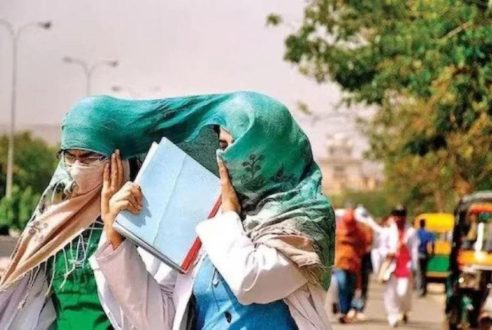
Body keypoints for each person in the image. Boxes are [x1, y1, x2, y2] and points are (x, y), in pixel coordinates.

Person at [72, 92, 334, 329]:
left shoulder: (305, 220)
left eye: (237, 146)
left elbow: (251, 282)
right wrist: (116, 240)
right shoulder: (212, 220)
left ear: (268, 150)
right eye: (221, 146)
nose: (226, 157)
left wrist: (229, 214)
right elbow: (160, 322)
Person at [0, 129, 139, 328]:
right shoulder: (55, 222)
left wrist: (113, 226)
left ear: (116, 161)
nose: (76, 168)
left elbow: (145, 303)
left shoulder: (135, 223)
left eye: (88, 158)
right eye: (69, 156)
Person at [333, 208, 372, 324]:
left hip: (354, 264)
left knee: (351, 288)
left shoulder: (360, 232)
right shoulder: (337, 231)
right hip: (340, 263)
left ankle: (347, 310)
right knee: (342, 285)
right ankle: (343, 311)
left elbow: (365, 245)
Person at [384, 205, 418, 328]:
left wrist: (414, 267)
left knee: (403, 292)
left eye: (401, 215)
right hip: (392, 266)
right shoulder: (388, 231)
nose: (398, 218)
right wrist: (388, 252)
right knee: (391, 292)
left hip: (405, 266)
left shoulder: (411, 232)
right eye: (396, 215)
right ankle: (392, 315)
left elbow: (414, 250)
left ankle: (403, 310)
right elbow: (380, 247)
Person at [415, 218, 435, 297]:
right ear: (425, 224)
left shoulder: (417, 233)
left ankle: (419, 290)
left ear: (420, 224)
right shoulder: (428, 233)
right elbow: (432, 243)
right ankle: (424, 290)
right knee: (424, 273)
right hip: (425, 254)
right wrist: (433, 252)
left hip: (418, 253)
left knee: (419, 273)